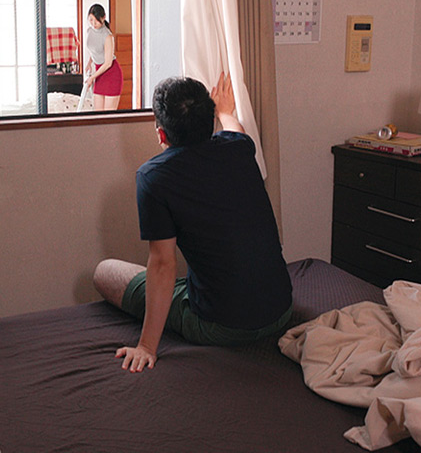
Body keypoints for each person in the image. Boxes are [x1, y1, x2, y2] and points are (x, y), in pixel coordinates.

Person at [93, 73, 293, 373]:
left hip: (221, 327)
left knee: (104, 272)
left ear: (161, 134)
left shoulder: (154, 176)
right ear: (210, 121)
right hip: (281, 310)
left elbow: (163, 264)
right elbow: (236, 129)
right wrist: (225, 111)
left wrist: (146, 346)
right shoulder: (239, 148)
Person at [84, 4, 123, 110]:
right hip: (99, 74)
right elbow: (94, 49)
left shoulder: (107, 36)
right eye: (91, 20)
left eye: (96, 20)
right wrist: (89, 63)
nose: (93, 23)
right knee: (98, 115)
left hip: (111, 74)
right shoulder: (89, 31)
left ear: (104, 17)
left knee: (108, 116)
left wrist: (92, 77)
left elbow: (108, 63)